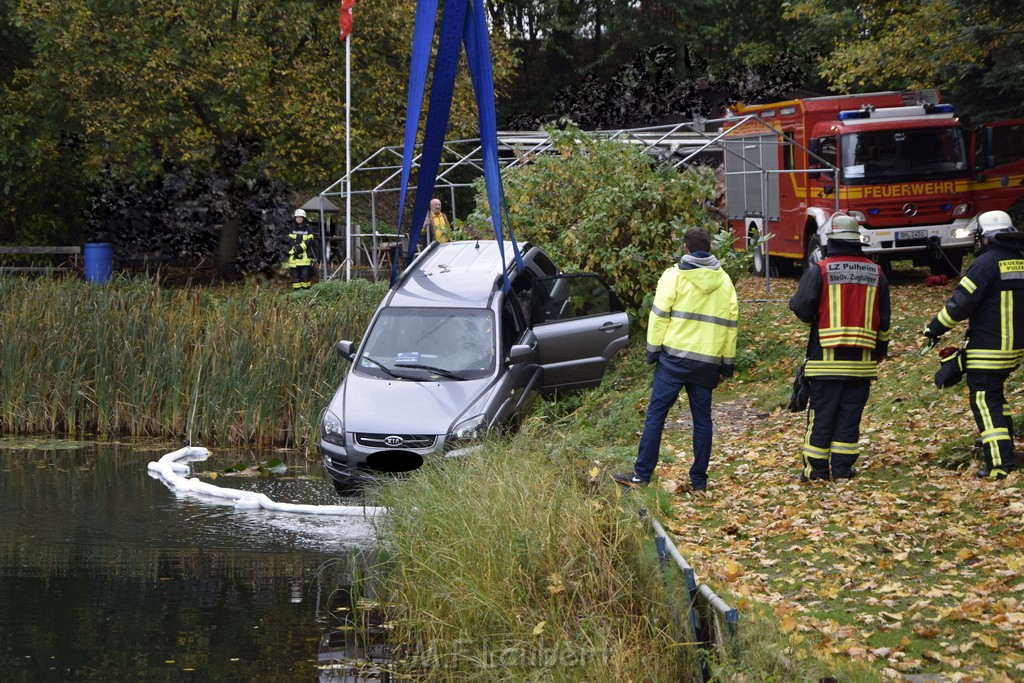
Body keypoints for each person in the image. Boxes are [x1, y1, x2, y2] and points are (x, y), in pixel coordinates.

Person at [612, 227, 738, 492]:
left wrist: (652, 350)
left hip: (674, 360)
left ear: (685, 248)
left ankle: (641, 476)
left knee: (656, 415)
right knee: (702, 420)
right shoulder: (725, 281)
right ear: (710, 248)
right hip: (706, 362)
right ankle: (699, 481)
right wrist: (727, 363)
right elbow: (729, 324)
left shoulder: (674, 276)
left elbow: (659, 315)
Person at [788, 214, 891, 481]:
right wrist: (879, 352)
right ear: (857, 241)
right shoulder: (876, 273)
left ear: (830, 240)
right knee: (849, 419)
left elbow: (801, 308)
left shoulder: (820, 270)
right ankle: (843, 470)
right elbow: (884, 322)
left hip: (826, 363)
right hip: (862, 364)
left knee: (822, 418)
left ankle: (816, 472)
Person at [923, 210, 1024, 480]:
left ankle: (999, 464)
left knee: (984, 401)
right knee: (996, 400)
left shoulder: (984, 264)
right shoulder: (1020, 262)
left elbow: (960, 304)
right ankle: (1003, 449)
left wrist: (933, 329)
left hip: (988, 349)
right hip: (1013, 350)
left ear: (985, 238)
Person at [286, 209, 320, 290]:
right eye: (297, 217)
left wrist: (300, 247)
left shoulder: (308, 229)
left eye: (300, 217)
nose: (298, 219)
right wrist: (294, 249)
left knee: (305, 278)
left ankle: (305, 293)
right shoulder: (292, 228)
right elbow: (289, 240)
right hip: (294, 257)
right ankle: (297, 294)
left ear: (304, 218)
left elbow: (310, 241)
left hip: (305, 257)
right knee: (296, 278)